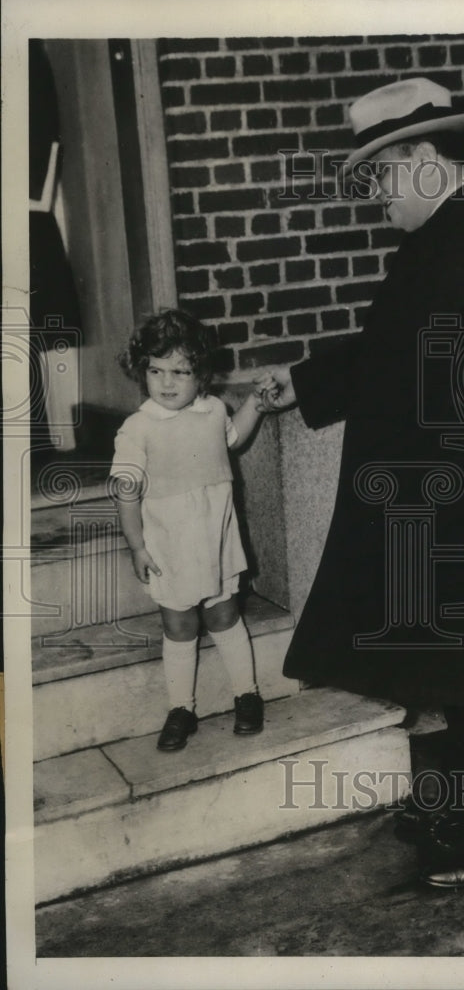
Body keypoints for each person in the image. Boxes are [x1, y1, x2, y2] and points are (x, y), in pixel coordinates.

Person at [260, 78, 464, 887]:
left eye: (381, 177)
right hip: (434, 498)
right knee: (452, 665)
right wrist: (295, 383)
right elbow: (386, 349)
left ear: (426, 160)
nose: (376, 198)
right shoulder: (439, 241)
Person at [111, 309, 266, 751]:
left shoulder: (213, 409)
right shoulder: (138, 427)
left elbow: (233, 437)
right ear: (142, 372)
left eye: (181, 371)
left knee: (224, 615)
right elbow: (125, 493)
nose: (167, 382)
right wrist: (137, 546)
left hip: (214, 538)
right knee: (179, 625)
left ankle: (247, 694)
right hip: (170, 545)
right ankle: (182, 707)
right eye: (156, 370)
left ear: (201, 376)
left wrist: (255, 402)